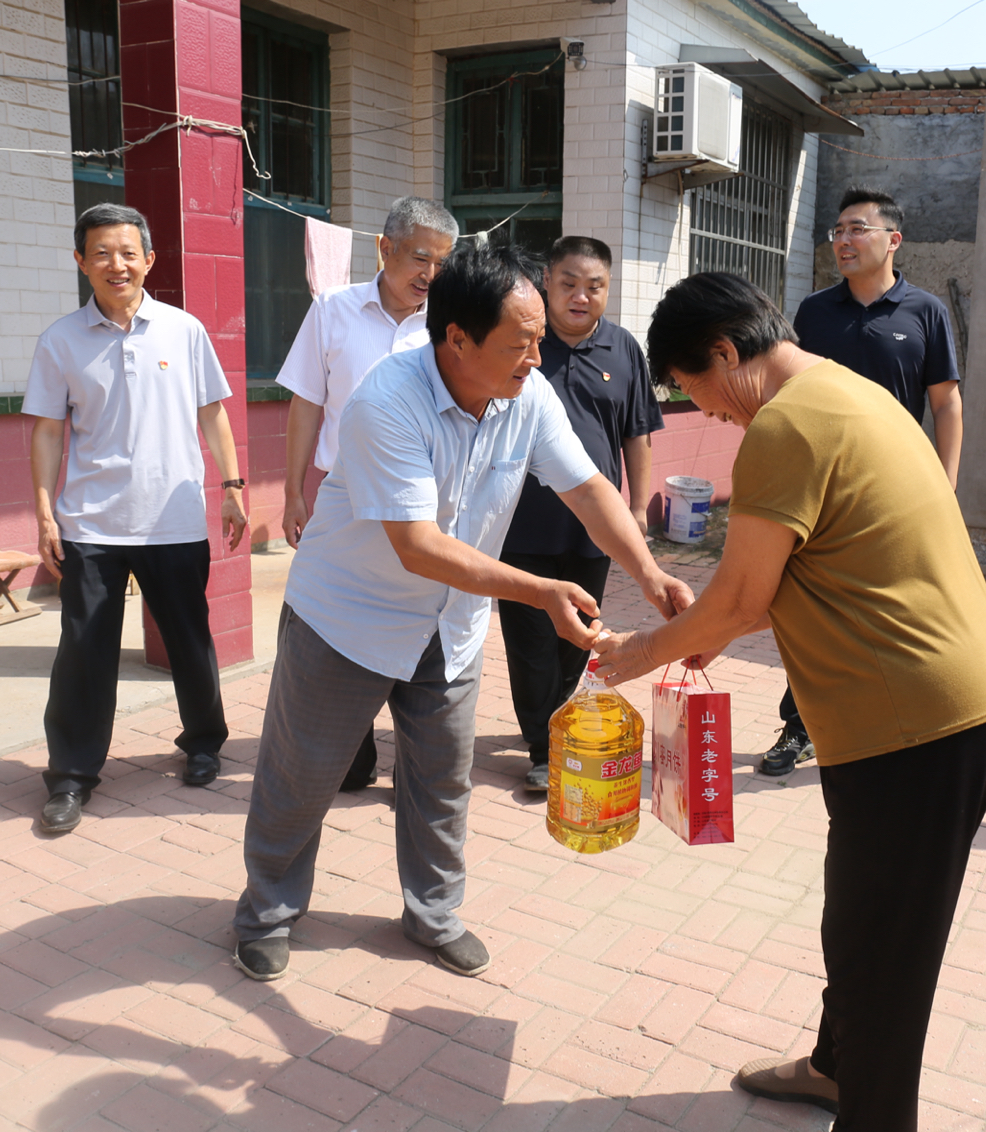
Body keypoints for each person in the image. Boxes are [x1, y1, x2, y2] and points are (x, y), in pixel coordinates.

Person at [592, 273, 986, 1131]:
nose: (707, 413)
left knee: (887, 956)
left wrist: (635, 654)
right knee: (858, 917)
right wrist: (708, 625)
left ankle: (872, 1111)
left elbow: (746, 597)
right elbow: (785, 576)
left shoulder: (783, 427)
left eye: (698, 391)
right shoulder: (841, 389)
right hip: (929, 715)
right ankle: (835, 1066)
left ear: (726, 353)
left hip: (918, 732)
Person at [232, 244, 693, 982]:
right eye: (520, 343)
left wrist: (650, 569)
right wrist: (539, 591)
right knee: (303, 777)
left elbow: (588, 490)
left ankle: (433, 914)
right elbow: (417, 546)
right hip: (348, 619)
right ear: (457, 339)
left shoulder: (525, 394)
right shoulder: (387, 401)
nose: (536, 359)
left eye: (539, 339)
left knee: (443, 780)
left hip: (449, 628)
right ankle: (267, 913)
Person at [24, 202, 247, 836]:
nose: (115, 264)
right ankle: (70, 775)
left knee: (189, 639)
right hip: (90, 523)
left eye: (128, 252)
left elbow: (213, 414)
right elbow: (46, 433)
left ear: (150, 260)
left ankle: (204, 742)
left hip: (173, 517)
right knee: (83, 651)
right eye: (101, 253)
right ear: (80, 262)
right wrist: (44, 511)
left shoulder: (184, 329)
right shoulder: (60, 340)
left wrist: (231, 485)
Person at [750, 187, 967, 777]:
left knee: (888, 607)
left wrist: (944, 486)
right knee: (806, 607)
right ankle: (800, 726)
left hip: (891, 493)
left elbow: (946, 405)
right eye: (837, 231)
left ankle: (886, 723)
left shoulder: (925, 312)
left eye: (857, 229)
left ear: (892, 240)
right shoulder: (815, 312)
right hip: (816, 490)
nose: (843, 241)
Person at [277, 197, 458, 793]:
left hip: (419, 507)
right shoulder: (333, 311)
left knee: (419, 633)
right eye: (420, 258)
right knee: (336, 627)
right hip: (342, 502)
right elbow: (306, 403)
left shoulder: (445, 327)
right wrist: (293, 492)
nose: (429, 275)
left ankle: (416, 764)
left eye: (441, 263)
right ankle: (349, 758)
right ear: (385, 249)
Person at [498, 236, 662, 793]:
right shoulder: (523, 341)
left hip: (594, 526)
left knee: (580, 635)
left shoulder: (623, 350)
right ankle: (543, 747)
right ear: (547, 280)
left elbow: (637, 435)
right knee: (528, 639)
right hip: (520, 522)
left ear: (608, 291)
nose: (580, 297)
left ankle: (559, 722)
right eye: (568, 284)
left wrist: (638, 507)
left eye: (594, 287)